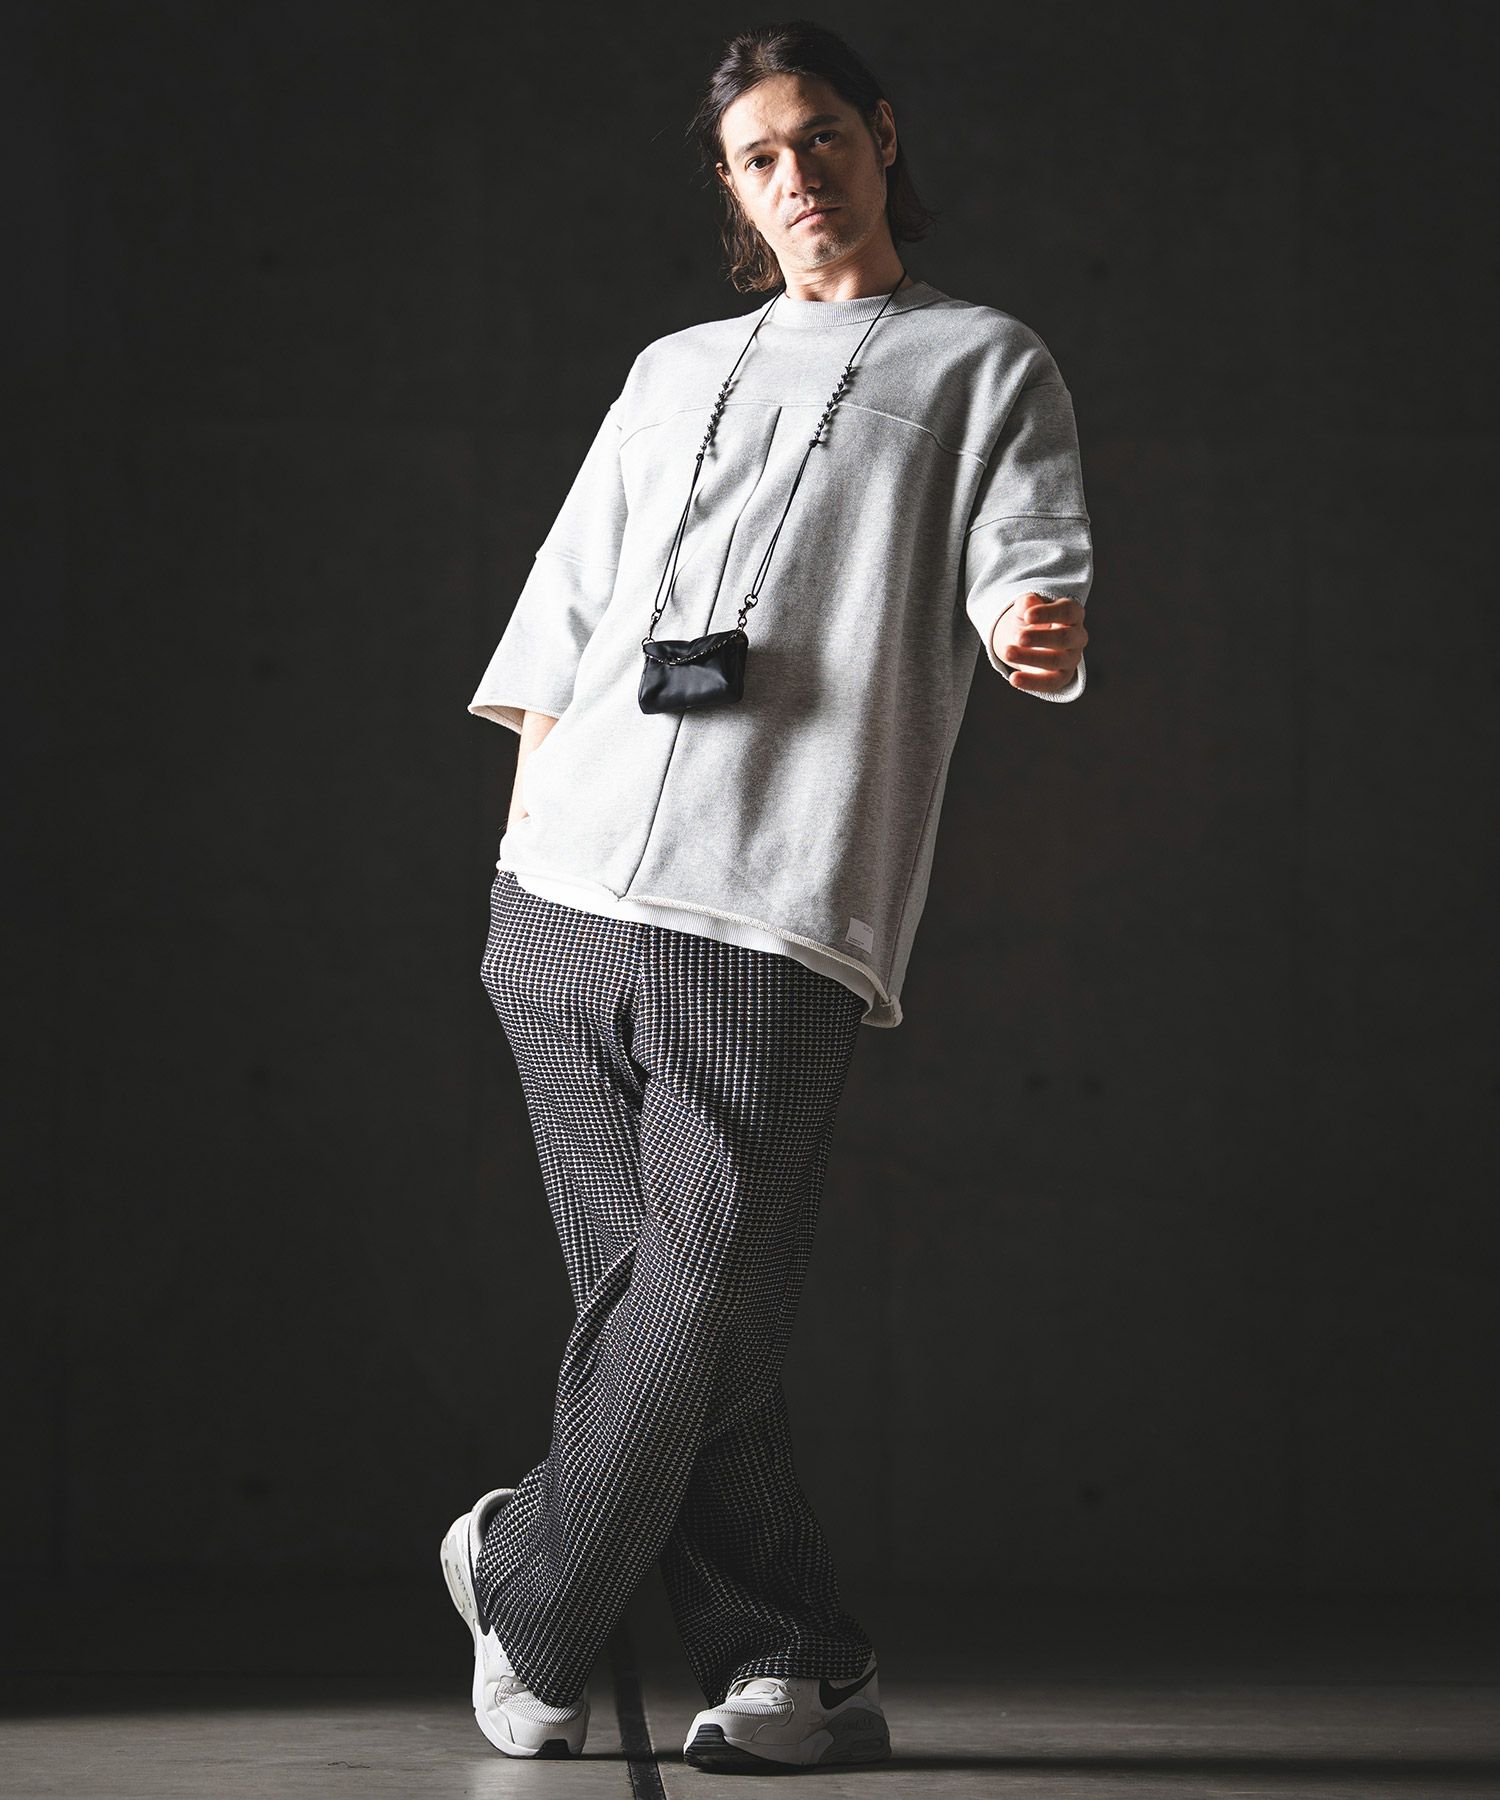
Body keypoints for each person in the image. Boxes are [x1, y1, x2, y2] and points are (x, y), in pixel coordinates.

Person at [440, 19, 1092, 1773]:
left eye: (820, 139)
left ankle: (524, 1585)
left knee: (698, 1298)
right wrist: (513, 870)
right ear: (733, 189)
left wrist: (1032, 627)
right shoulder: (673, 368)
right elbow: (566, 608)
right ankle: (795, 1661)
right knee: (650, 1309)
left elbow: (1026, 565)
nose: (795, 177)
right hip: (564, 889)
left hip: (775, 905)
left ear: (881, 136)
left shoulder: (982, 361)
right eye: (757, 158)